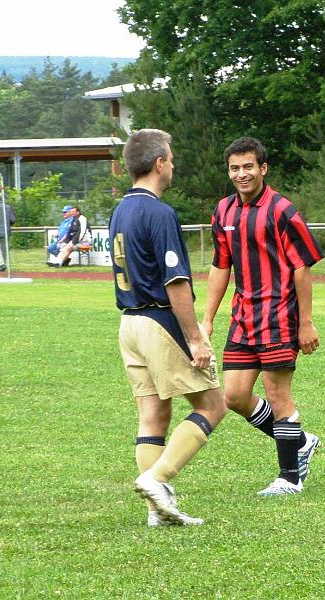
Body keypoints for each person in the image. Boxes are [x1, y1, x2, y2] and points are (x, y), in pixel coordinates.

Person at [109, 128, 226, 527]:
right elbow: (176, 281)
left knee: (152, 416)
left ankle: (155, 512)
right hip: (159, 321)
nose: (173, 165)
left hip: (129, 324)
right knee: (213, 405)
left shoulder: (120, 210)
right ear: (159, 164)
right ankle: (157, 480)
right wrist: (196, 338)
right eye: (171, 159)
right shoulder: (160, 213)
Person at [203, 137, 324, 496]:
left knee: (277, 393)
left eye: (248, 167)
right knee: (235, 396)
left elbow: (302, 269)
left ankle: (290, 478)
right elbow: (220, 266)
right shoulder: (222, 212)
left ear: (263, 168)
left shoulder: (282, 211)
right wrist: (208, 318)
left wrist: (305, 322)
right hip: (243, 317)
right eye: (235, 168)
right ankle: (300, 441)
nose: (242, 174)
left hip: (279, 316)